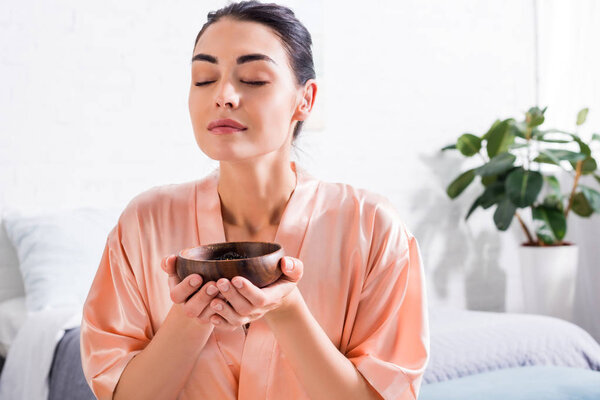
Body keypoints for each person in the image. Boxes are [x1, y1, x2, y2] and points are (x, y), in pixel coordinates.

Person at [80, 1, 430, 399]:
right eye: (204, 78)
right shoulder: (144, 224)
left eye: (254, 79)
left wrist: (286, 311)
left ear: (306, 100)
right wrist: (191, 318)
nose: (224, 95)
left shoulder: (371, 227)